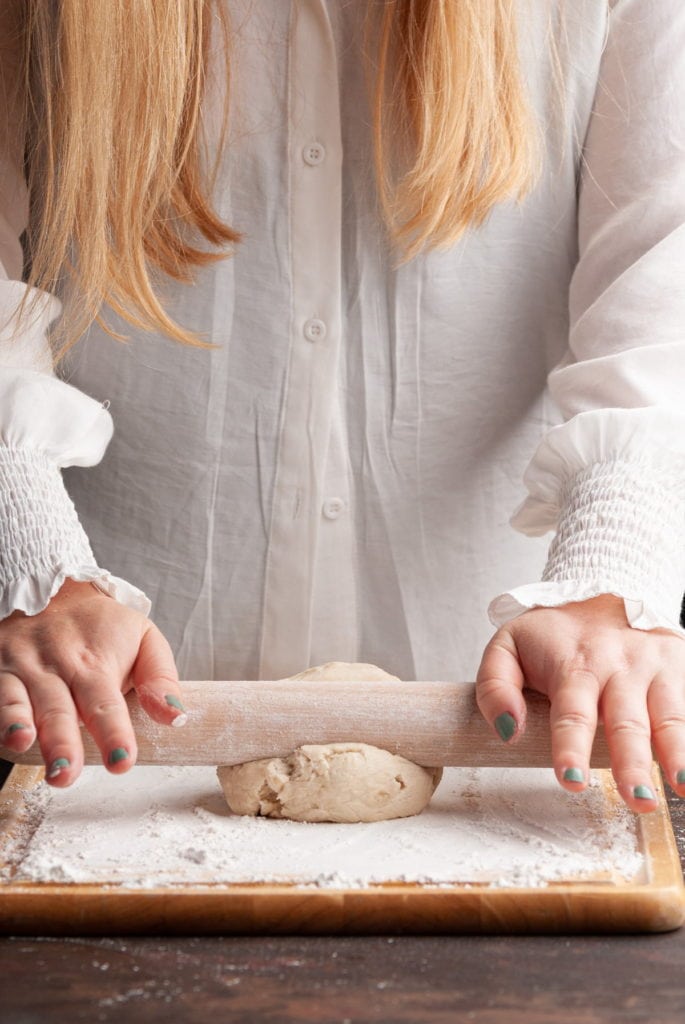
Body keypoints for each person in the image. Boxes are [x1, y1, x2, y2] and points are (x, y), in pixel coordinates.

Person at [0, 0, 683, 814]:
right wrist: (37, 567)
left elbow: (660, 292)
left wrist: (608, 582)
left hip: (513, 736)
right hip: (100, 738)